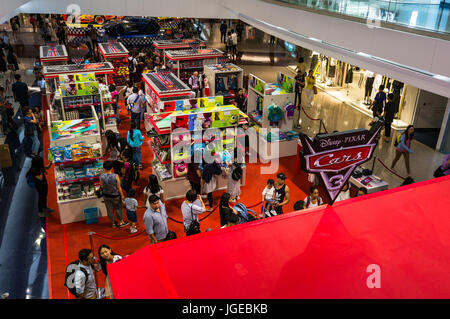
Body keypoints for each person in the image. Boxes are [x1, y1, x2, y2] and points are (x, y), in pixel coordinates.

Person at [99, 160, 129, 229]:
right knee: (119, 208)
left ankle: (113, 223)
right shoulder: (115, 176)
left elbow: (102, 186)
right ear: (111, 167)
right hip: (115, 195)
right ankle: (121, 222)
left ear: (104, 167)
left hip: (106, 195)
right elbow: (119, 187)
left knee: (109, 210)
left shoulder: (101, 176)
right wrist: (122, 195)